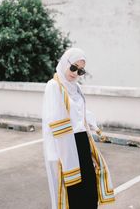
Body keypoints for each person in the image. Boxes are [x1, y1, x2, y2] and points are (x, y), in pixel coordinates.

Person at [42, 48, 115, 209]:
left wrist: (94, 126)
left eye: (80, 70)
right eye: (73, 67)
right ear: (64, 63)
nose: (75, 73)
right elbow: (54, 121)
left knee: (89, 190)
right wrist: (60, 155)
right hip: (67, 144)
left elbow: (81, 112)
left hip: (82, 142)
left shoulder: (76, 88)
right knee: (73, 192)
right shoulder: (54, 86)